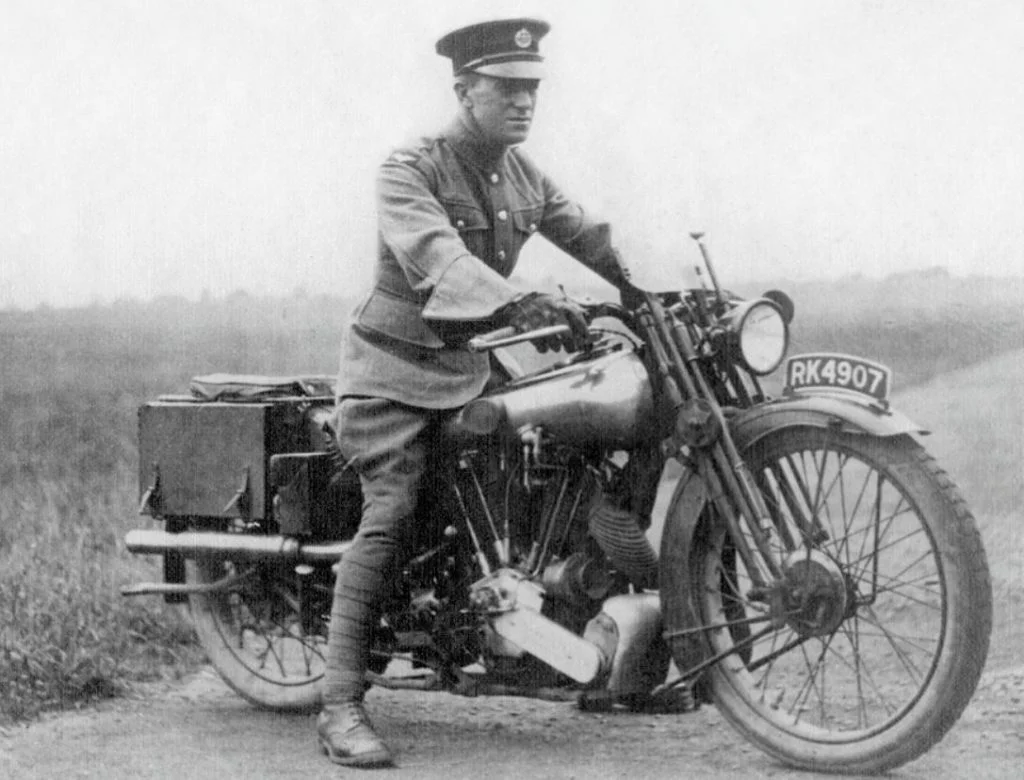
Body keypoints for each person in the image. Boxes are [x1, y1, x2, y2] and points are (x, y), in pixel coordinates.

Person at [318, 17, 632, 768]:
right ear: (465, 89)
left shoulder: (521, 174)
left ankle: (563, 631)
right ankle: (338, 705)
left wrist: (644, 292)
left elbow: (588, 233)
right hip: (393, 375)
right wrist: (517, 301)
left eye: (532, 89)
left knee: (566, 447)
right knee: (391, 510)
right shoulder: (411, 168)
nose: (525, 103)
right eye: (508, 88)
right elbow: (438, 260)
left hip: (472, 369)